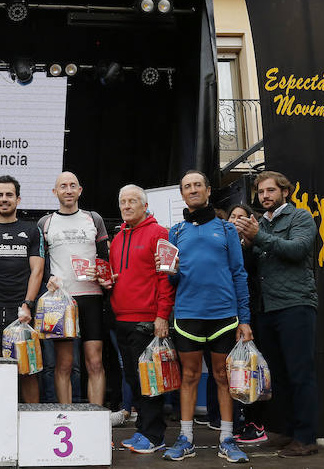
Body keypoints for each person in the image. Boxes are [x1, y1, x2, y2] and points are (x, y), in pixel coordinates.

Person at [161, 170, 251, 463]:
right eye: (187, 186)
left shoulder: (226, 230)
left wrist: (245, 319)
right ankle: (186, 437)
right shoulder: (175, 232)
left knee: (222, 376)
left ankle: (227, 438)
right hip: (187, 315)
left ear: (208, 190)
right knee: (187, 377)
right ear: (182, 194)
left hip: (223, 315)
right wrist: (170, 273)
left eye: (198, 185)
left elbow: (239, 274)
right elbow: (170, 280)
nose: (193, 189)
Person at [234, 170, 319, 457]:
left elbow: (297, 250)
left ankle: (306, 437)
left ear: (285, 192)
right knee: (277, 376)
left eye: (270, 190)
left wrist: (258, 236)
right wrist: (245, 244)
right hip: (267, 309)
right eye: (260, 192)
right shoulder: (260, 224)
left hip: (295, 304)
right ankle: (286, 430)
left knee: (300, 374)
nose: (265, 196)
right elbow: (253, 268)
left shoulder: (300, 217)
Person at [100, 185, 175, 453]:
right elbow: (118, 275)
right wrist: (107, 281)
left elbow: (166, 278)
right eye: (123, 202)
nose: (127, 206)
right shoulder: (118, 237)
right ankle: (144, 430)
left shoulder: (160, 233)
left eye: (133, 201)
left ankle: (154, 436)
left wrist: (162, 316)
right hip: (122, 318)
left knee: (149, 379)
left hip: (148, 320)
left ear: (145, 206)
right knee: (133, 378)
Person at [39, 171, 110, 405]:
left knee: (95, 362)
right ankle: (66, 418)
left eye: (72, 186)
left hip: (91, 298)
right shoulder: (45, 223)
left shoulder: (93, 219)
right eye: (63, 186)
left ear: (80, 190)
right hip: (60, 302)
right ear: (55, 192)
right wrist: (47, 281)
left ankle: (97, 421)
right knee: (64, 365)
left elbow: (106, 261)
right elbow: (39, 265)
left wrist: (101, 272)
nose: (68, 190)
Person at [0, 175, 44, 402]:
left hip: (21, 308)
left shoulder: (31, 231)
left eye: (9, 195)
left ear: (18, 199)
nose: (4, 199)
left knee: (27, 369)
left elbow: (37, 272)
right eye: (0, 195)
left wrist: (28, 304)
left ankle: (31, 420)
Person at [226, 203, 268, 444]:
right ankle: (238, 421)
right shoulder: (224, 246)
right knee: (234, 370)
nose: (236, 220)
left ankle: (256, 423)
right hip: (227, 314)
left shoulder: (254, 248)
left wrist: (251, 242)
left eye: (242, 217)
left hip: (252, 314)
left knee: (251, 369)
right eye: (232, 216)